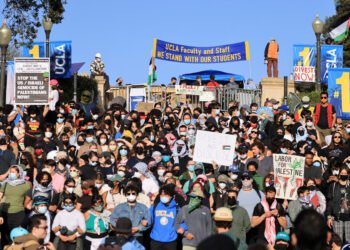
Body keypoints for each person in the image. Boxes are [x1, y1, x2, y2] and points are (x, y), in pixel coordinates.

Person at [0, 165, 32, 246]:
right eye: (10, 172)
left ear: (19, 173)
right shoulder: (6, 183)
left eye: (13, 172)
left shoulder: (26, 184)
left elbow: (29, 199)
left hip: (18, 213)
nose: (11, 174)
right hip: (5, 213)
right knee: (5, 236)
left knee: (17, 237)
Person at [150, 184, 179, 250]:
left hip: (171, 241)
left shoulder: (176, 208)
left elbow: (181, 222)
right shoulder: (154, 207)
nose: (163, 197)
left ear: (171, 196)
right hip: (156, 240)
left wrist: (182, 228)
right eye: (161, 195)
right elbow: (149, 219)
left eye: (166, 195)